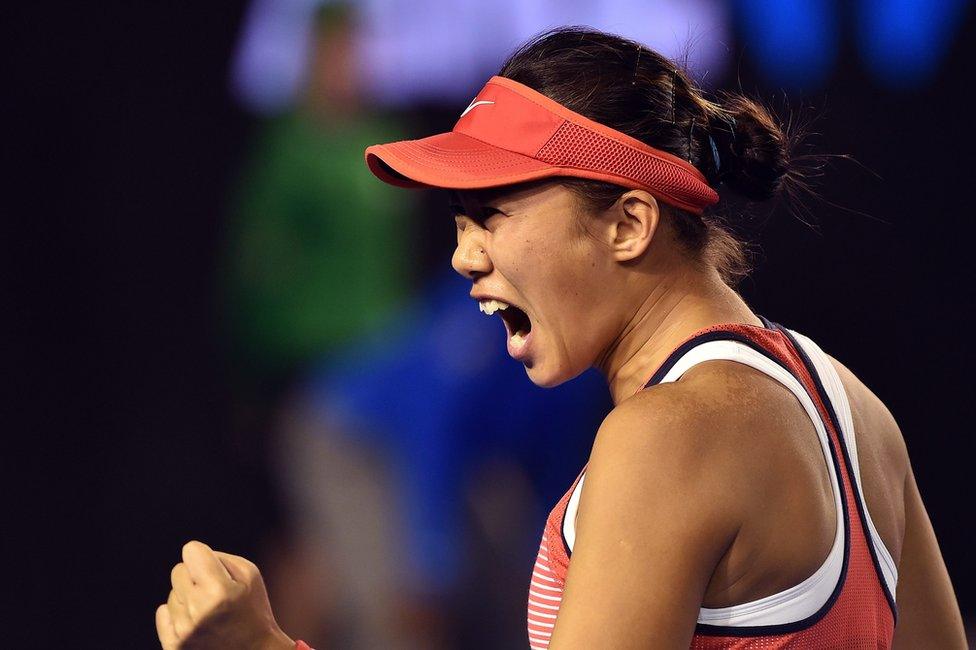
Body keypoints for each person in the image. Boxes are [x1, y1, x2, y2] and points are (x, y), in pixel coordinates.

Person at [155, 27, 966, 649]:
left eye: (493, 214)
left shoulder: (665, 438)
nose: (463, 256)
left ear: (628, 223)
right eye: (459, 220)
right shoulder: (857, 411)